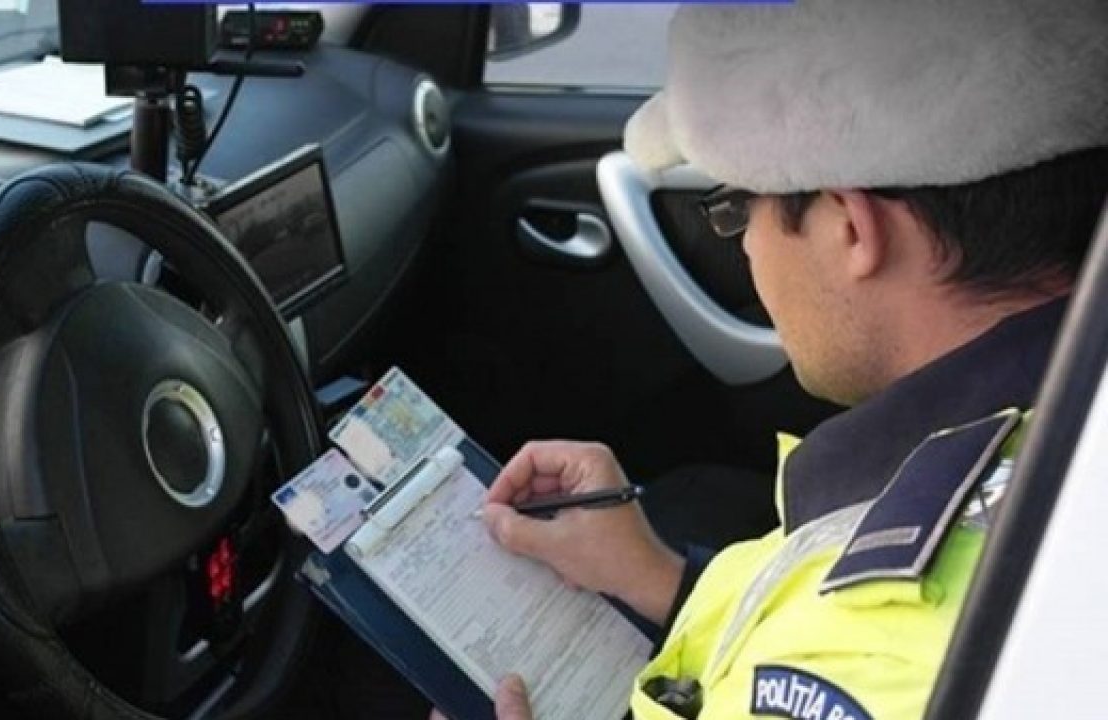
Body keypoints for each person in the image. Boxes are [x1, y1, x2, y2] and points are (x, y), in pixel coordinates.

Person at [436, 0, 1108, 718]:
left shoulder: (875, 662)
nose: (748, 248)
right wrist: (661, 579)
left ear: (852, 228)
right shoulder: (1053, 432)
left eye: (737, 209)